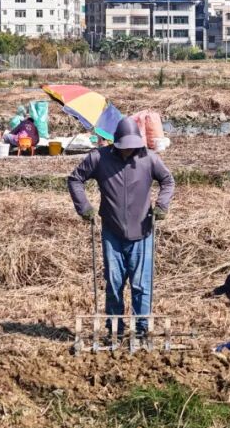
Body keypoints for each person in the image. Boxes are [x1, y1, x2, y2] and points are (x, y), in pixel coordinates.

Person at [67, 118, 174, 336]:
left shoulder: (149, 159)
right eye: (125, 146)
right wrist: (84, 207)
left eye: (133, 145)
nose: (129, 150)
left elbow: (168, 181)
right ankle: (114, 329)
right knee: (114, 283)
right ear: (116, 143)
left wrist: (162, 205)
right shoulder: (99, 158)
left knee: (141, 286)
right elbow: (75, 179)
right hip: (112, 233)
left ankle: (142, 330)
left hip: (143, 231)